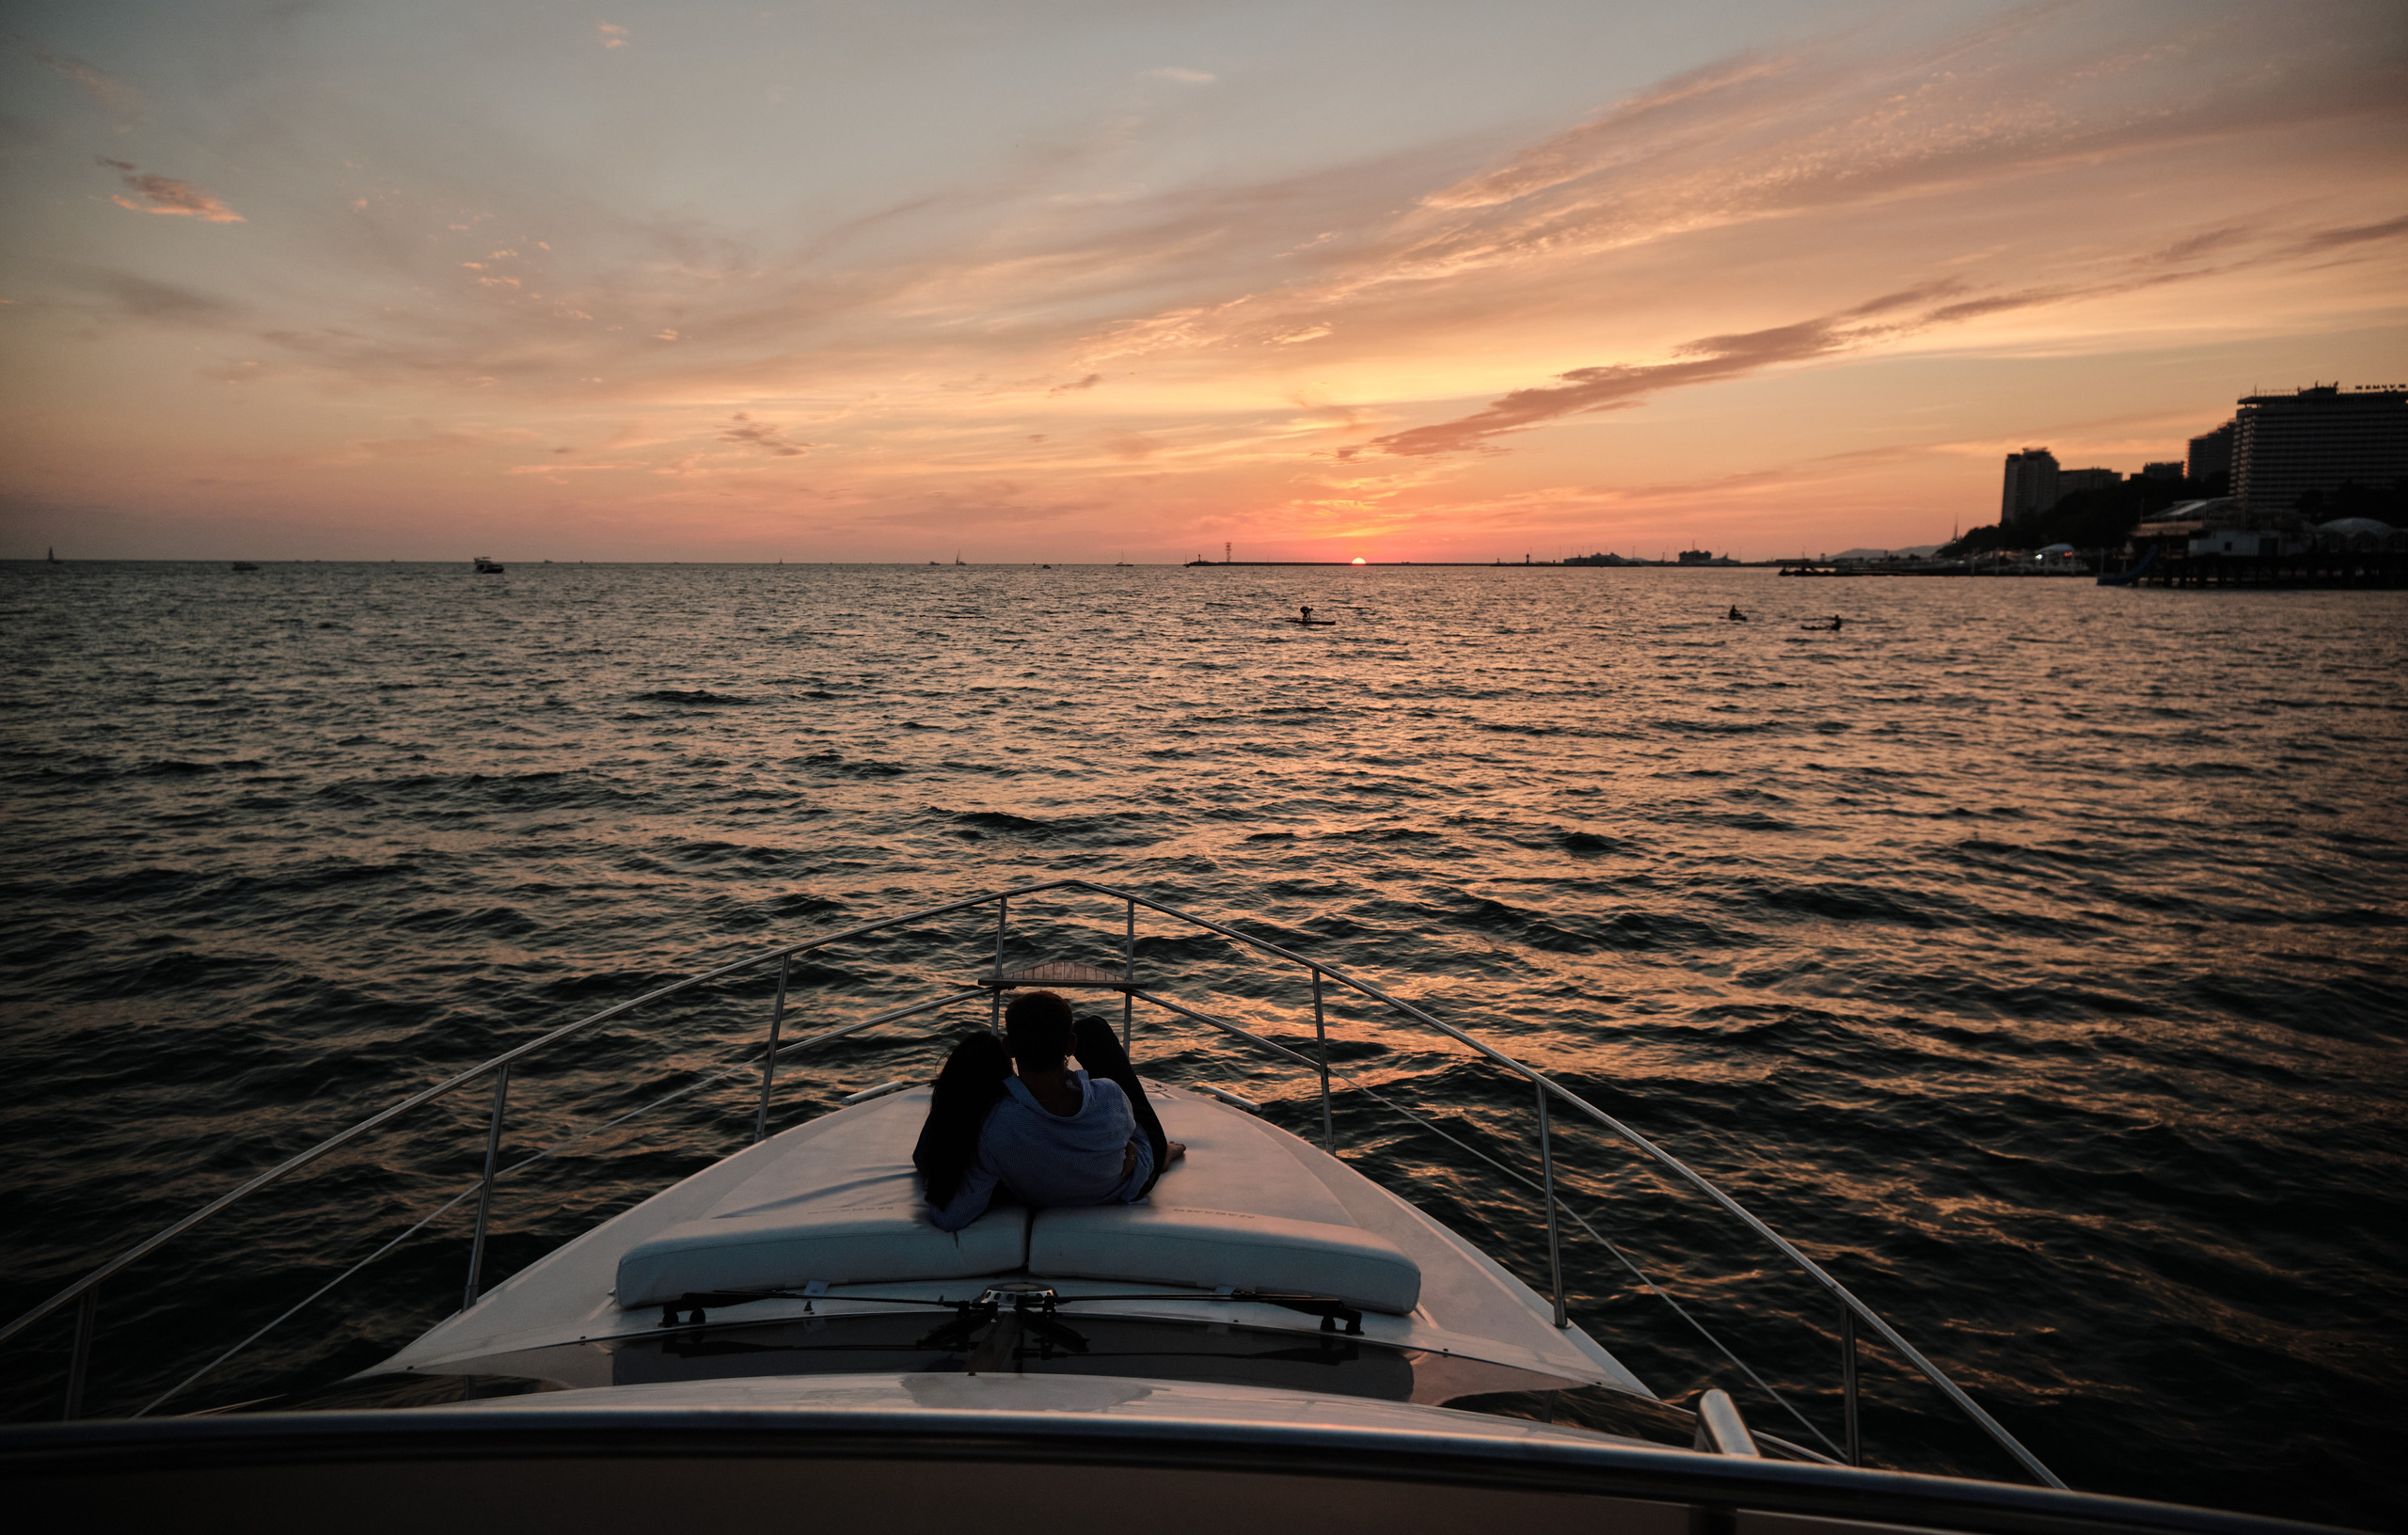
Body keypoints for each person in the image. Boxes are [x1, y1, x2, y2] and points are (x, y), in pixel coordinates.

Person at [919, 991, 1183, 1232]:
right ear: (1070, 1046)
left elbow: (951, 1216)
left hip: (1040, 1183)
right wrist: (1126, 1146)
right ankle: (1165, 1154)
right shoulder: (1109, 1096)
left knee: (973, 1062)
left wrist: (954, 1091)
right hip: (1125, 1186)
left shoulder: (995, 1126)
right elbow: (1130, 1133)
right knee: (1093, 1028)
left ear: (1009, 1047)